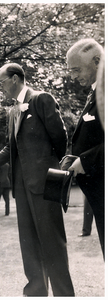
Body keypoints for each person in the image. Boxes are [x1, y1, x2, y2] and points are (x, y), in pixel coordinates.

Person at [0, 63, 74, 296]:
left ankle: (64, 294)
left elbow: (60, 137)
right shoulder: (13, 111)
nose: (0, 88)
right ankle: (36, 291)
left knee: (52, 243)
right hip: (22, 187)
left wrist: (51, 169)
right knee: (28, 243)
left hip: (45, 184)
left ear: (16, 78)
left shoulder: (41, 99)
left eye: (1, 82)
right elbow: (10, 148)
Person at [66, 38, 104, 257]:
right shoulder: (96, 90)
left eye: (76, 70)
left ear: (97, 61)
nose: (72, 77)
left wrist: (86, 160)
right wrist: (75, 157)